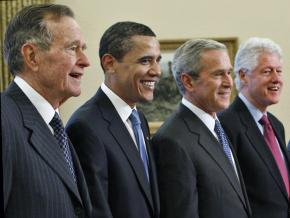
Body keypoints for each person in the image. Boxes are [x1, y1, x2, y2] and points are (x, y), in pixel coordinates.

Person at [1, 4, 91, 218]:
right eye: (72, 48)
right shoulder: (5, 119)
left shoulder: (54, 126)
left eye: (83, 49)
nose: (85, 61)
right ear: (32, 56)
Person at [66, 21, 161, 218]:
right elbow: (96, 211)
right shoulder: (85, 126)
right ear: (110, 63)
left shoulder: (139, 119)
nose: (156, 71)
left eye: (157, 60)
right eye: (145, 61)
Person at [152, 39, 251, 218]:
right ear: (188, 82)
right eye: (218, 74)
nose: (229, 82)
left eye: (229, 73)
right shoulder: (172, 141)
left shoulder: (217, 127)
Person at [218, 37, 289, 218]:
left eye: (279, 71)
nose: (276, 79)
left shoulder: (276, 125)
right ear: (243, 75)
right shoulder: (225, 125)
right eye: (267, 71)